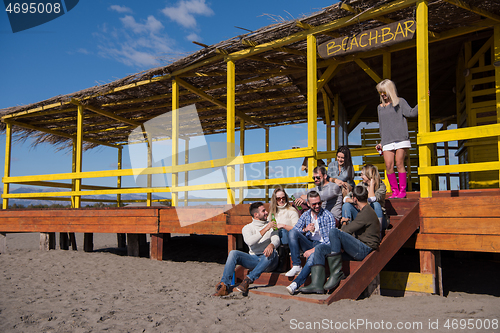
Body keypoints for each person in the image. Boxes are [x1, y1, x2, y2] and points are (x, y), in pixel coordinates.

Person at [300, 186, 380, 294]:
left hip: (365, 249)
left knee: (334, 232)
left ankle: (336, 272)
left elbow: (346, 230)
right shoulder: (365, 211)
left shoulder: (366, 213)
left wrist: (343, 222)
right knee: (320, 248)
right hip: (360, 246)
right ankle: (317, 284)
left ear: (354, 198)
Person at [213, 202, 279, 296]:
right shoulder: (247, 228)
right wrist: (265, 229)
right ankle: (224, 285)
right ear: (256, 215)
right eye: (263, 211)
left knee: (271, 252)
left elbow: (276, 239)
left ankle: (248, 280)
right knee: (233, 253)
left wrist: (271, 245)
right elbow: (250, 241)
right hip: (254, 259)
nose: (266, 212)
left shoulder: (271, 224)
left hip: (270, 260)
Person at [284, 191, 337, 295]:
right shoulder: (306, 215)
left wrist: (313, 250)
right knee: (293, 232)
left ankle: (295, 284)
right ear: (308, 204)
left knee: (313, 256)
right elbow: (296, 230)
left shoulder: (328, 216)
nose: (317, 206)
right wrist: (305, 229)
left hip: (323, 245)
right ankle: (296, 265)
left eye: (319, 203)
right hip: (310, 242)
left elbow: (330, 241)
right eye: (314, 204)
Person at [375, 79, 418, 198]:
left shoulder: (400, 102)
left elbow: (411, 113)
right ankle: (395, 191)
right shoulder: (380, 108)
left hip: (401, 138)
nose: (382, 94)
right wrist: (381, 142)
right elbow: (382, 126)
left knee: (399, 163)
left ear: (390, 90)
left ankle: (402, 191)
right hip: (387, 140)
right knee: (389, 165)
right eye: (380, 92)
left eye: (384, 92)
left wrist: (423, 101)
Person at [342, 164, 388, 231]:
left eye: (362, 174)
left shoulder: (381, 186)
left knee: (376, 204)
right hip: (362, 216)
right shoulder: (361, 185)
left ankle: (378, 233)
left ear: (369, 175)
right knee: (346, 205)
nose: (361, 176)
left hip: (376, 218)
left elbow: (372, 199)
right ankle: (347, 230)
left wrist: (371, 185)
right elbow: (345, 198)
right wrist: (354, 200)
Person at [268, 187, 300, 272]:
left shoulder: (291, 211)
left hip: (289, 240)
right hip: (275, 238)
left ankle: (283, 260)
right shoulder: (272, 212)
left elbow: (297, 229)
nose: (281, 200)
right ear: (275, 200)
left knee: (283, 231)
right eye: (278, 198)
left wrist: (283, 225)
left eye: (283, 198)